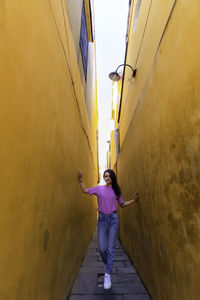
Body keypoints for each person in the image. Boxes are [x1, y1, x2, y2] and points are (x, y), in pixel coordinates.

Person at [77, 168, 139, 289]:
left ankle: (107, 275)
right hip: (102, 220)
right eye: (105, 176)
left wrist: (134, 201)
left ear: (112, 177)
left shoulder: (117, 190)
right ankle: (108, 264)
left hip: (113, 220)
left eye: (109, 175)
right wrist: (80, 179)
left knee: (111, 248)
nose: (107, 178)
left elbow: (122, 204)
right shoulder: (99, 188)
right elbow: (85, 190)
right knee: (102, 247)